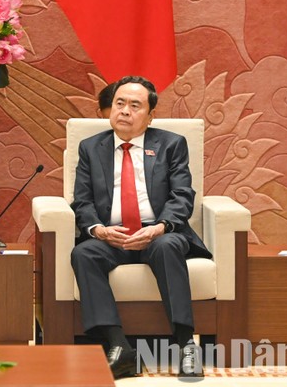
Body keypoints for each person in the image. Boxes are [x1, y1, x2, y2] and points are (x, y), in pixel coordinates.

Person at [70, 75, 210, 379]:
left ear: (150, 115)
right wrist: (99, 230)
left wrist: (159, 227)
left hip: (157, 232)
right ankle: (119, 347)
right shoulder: (91, 148)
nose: (124, 111)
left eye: (135, 105)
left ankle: (186, 343)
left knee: (169, 245)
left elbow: (182, 195)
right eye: (119, 103)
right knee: (84, 253)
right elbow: (82, 201)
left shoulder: (171, 144)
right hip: (112, 236)